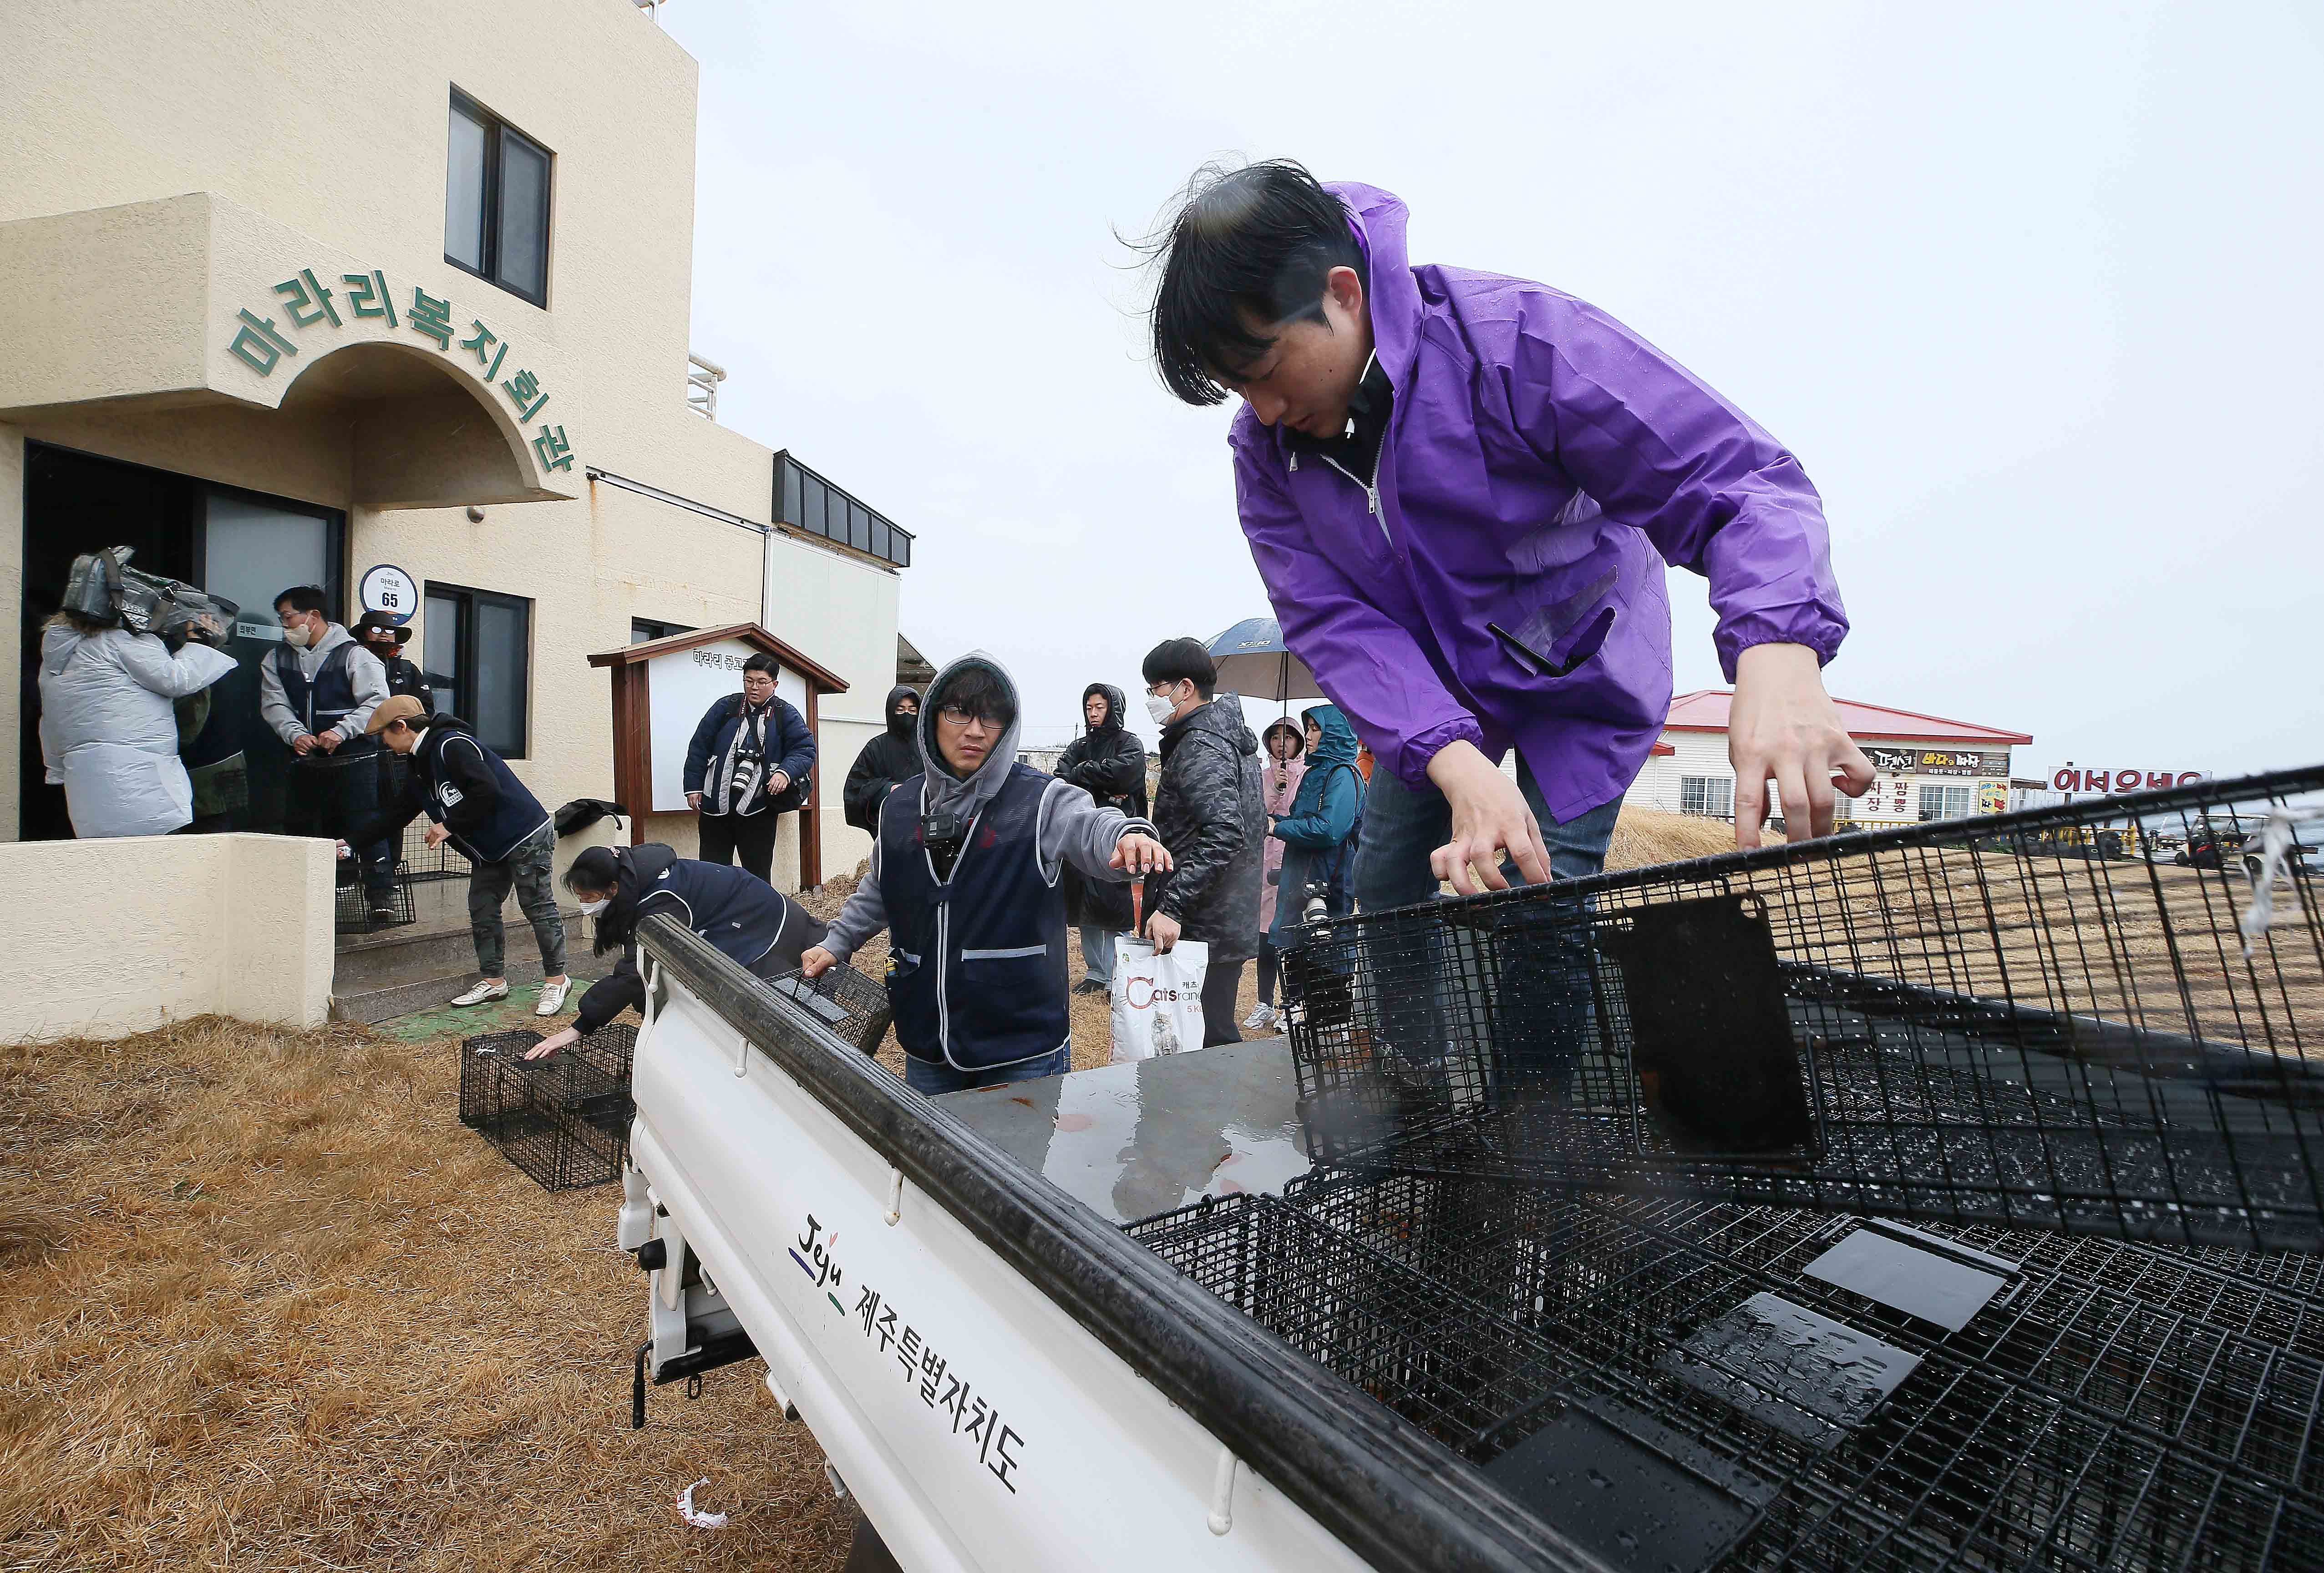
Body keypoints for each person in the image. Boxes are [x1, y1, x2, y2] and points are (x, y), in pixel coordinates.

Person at [1141, 162, 1874, 908]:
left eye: (1265, 370)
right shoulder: (1267, 456)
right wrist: (1453, 762)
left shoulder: (1514, 342)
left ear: (1343, 293)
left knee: (1540, 898)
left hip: (1582, 671)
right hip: (1425, 691)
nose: (1263, 410)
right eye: (1240, 392)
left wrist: (1778, 652)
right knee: (1389, 889)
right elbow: (1332, 621)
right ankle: (1402, 1030)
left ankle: (1546, 1015)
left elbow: (1737, 479)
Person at [801, 653, 1172, 1096]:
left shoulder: (1041, 799)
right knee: (931, 1162)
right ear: (932, 718)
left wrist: (1127, 834)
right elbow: (881, 886)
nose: (975, 731)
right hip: (927, 1041)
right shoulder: (900, 806)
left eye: (992, 718)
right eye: (959, 713)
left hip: (1021, 1046)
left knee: (1014, 1164)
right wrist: (835, 943)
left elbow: (1090, 825)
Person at [338, 695, 572, 1014]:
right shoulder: (418, 764)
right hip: (489, 847)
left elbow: (487, 790)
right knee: (483, 908)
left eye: (384, 735)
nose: (383, 743)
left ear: (402, 726)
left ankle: (557, 981)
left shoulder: (453, 745)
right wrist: (351, 842)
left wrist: (448, 825)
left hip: (524, 834)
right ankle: (493, 981)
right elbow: (398, 814)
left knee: (537, 906)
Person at [524, 842, 829, 1058]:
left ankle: (814, 1044)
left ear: (613, 888)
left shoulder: (660, 903)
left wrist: (579, 1027)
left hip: (759, 919)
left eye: (589, 896)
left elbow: (636, 972)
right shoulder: (635, 875)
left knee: (773, 993)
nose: (585, 904)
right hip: (733, 910)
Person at [1138, 637, 1264, 1048]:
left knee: (1205, 1038)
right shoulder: (1225, 737)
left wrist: (1173, 906)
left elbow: (1226, 831)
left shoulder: (1201, 745)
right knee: (1206, 1032)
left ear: (1185, 688)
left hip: (1202, 924)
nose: (1152, 699)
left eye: (1156, 689)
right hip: (1223, 916)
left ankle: (1223, 1113)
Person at [36, 603, 237, 838]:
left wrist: (57, 771)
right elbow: (178, 679)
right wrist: (199, 641)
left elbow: (50, 722)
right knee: (158, 861)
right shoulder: (121, 642)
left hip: (84, 783)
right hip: (140, 778)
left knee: (110, 860)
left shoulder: (57, 659)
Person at [261, 586, 396, 921]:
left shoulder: (356, 656)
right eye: (281, 619)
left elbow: (378, 703)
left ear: (313, 616)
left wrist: (342, 730)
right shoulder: (276, 659)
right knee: (303, 825)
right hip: (306, 758)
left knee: (363, 823)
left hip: (355, 756)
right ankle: (307, 899)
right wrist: (295, 734)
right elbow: (274, 704)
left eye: (289, 617)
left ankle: (381, 898)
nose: (285, 626)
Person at [684, 652, 814, 885]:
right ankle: (715, 919)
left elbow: (804, 749)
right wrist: (693, 786)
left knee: (757, 875)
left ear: (774, 684)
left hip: (759, 808)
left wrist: (785, 773)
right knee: (712, 872)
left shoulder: (785, 713)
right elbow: (699, 746)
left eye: (762, 682)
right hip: (716, 806)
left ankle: (756, 919)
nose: (754, 687)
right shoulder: (726, 707)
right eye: (749, 681)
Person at [1053, 683, 1148, 995]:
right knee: (1085, 910)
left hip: (1115, 836)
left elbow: (1125, 775)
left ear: (1114, 708)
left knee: (1115, 905)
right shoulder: (1078, 746)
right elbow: (1062, 778)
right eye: (1090, 707)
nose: (1094, 714)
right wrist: (1097, 778)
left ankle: (1120, 973)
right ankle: (1096, 972)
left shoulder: (1130, 743)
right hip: (1082, 835)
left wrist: (1084, 774)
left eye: (1101, 707)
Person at [1268, 702, 1365, 953]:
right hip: (1299, 884)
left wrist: (1276, 829)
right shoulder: (1315, 773)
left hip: (1327, 891)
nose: (1308, 736)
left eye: (1315, 729)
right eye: (1309, 729)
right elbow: (1299, 819)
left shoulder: (1344, 775)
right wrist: (1269, 821)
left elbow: (1329, 830)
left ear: (1334, 732)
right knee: (1296, 977)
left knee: (1327, 977)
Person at [1246, 716, 1307, 1032]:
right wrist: (1275, 789)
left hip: (1291, 864)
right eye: (1275, 737)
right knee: (1264, 938)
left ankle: (1292, 1003)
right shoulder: (1262, 775)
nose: (1281, 743)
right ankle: (1264, 1003)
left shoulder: (1308, 775)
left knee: (1290, 936)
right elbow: (1254, 812)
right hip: (1263, 865)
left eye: (1289, 737)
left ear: (1299, 741)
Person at [842, 685, 921, 834]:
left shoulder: (928, 745)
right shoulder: (876, 747)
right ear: (891, 711)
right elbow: (855, 788)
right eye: (900, 709)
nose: (906, 714)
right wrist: (888, 789)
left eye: (912, 710)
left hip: (925, 824)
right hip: (889, 827)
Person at [352, 611, 434, 709]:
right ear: (363, 634)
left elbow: (425, 707)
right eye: (376, 630)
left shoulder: (408, 669)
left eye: (389, 630)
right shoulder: (351, 664)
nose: (383, 634)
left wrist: (404, 722)